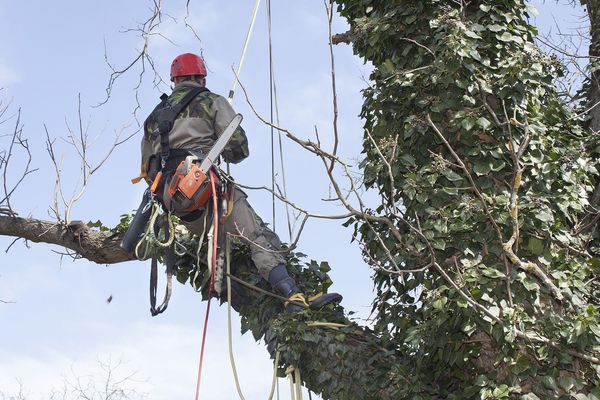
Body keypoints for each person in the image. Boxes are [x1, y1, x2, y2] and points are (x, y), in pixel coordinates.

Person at [137, 53, 341, 312]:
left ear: (174, 81)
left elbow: (147, 170)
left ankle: (222, 280)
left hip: (173, 201)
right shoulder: (212, 102)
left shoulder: (153, 118)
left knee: (221, 239)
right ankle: (293, 296)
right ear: (202, 78)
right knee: (257, 235)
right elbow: (238, 149)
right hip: (203, 188)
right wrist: (215, 144)